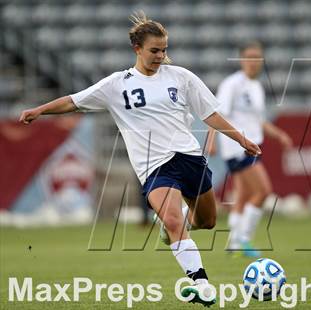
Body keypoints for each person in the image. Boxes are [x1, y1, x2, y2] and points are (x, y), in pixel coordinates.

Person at [19, 13, 261, 307]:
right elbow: (73, 100)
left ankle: (176, 226)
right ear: (137, 48)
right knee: (172, 219)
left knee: (207, 222)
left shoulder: (181, 78)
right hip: (155, 167)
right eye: (154, 50)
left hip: (189, 159)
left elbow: (209, 114)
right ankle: (201, 283)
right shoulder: (116, 84)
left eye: (164, 50)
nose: (161, 56)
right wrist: (39, 110)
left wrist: (241, 138)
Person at [208, 41, 292, 258]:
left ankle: (234, 243)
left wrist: (279, 135)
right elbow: (217, 114)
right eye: (250, 57)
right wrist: (211, 142)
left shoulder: (256, 87)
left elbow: (259, 120)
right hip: (237, 148)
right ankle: (244, 238)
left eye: (257, 57)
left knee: (244, 195)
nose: (254, 62)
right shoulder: (232, 84)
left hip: (252, 146)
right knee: (263, 191)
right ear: (242, 59)